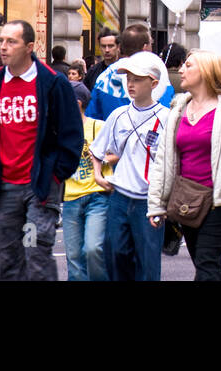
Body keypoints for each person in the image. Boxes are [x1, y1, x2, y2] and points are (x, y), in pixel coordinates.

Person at [0, 18, 84, 281]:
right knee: (7, 259)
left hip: (39, 187)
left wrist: (56, 173)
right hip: (4, 188)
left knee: (35, 252)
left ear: (29, 47)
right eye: (1, 41)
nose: (3, 47)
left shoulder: (53, 84)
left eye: (12, 41)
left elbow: (71, 135)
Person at [148, 51, 221, 281]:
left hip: (220, 201)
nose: (181, 70)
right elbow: (164, 161)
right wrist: (156, 204)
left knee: (206, 261)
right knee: (205, 266)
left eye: (188, 66)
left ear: (205, 71)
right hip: (188, 201)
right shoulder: (178, 110)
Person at [91, 51, 169, 281]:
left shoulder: (166, 117)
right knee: (115, 255)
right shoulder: (118, 115)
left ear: (153, 83)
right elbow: (97, 150)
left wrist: (165, 199)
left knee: (148, 263)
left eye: (137, 79)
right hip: (120, 196)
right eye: (128, 79)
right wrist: (97, 175)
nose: (130, 84)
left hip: (149, 199)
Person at [63, 81, 109, 281]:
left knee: (93, 249)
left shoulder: (98, 126)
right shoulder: (59, 131)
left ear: (78, 103)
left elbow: (116, 151)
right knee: (73, 257)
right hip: (70, 198)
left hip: (96, 196)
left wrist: (100, 158)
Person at [89, 23, 174, 119]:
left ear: (120, 47)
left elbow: (92, 117)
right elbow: (167, 110)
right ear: (145, 47)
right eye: (151, 43)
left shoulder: (104, 78)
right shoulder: (155, 75)